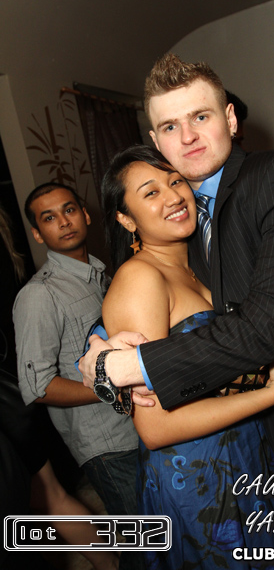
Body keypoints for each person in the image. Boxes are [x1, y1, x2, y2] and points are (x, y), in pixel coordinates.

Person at [80, 54, 274, 563]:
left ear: (230, 119)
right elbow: (165, 308)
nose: (188, 137)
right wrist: (97, 351)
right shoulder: (188, 224)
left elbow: (266, 324)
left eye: (200, 116)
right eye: (171, 126)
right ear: (157, 140)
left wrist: (128, 365)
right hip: (253, 452)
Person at [99, 144, 274, 569]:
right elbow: (155, 427)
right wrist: (271, 393)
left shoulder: (201, 260)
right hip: (200, 477)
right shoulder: (140, 278)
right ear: (126, 219)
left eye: (176, 181)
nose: (173, 196)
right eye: (151, 192)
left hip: (249, 454)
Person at [12, 183, 140, 570]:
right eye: (49, 218)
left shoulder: (101, 274)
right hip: (107, 445)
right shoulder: (40, 295)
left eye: (68, 210)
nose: (63, 222)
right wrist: (112, 384)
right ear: (38, 233)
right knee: (149, 547)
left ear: (85, 214)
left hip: (139, 426)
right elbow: (37, 387)